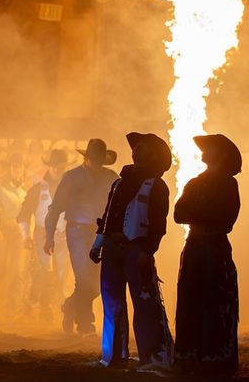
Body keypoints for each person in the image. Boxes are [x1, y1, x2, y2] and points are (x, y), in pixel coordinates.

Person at [91, 133, 173, 371]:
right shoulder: (118, 183)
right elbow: (107, 217)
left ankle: (154, 358)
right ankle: (114, 356)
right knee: (112, 302)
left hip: (136, 248)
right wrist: (99, 243)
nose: (136, 150)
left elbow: (159, 224)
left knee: (145, 303)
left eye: (142, 147)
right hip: (113, 249)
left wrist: (147, 251)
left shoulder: (156, 185)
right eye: (136, 147)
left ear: (153, 155)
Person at [174, 134, 241, 377]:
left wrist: (197, 213)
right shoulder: (195, 182)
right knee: (192, 298)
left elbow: (226, 218)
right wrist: (203, 213)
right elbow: (178, 214)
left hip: (212, 245)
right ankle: (193, 355)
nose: (204, 152)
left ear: (220, 155)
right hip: (199, 245)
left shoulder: (227, 184)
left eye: (209, 148)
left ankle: (212, 357)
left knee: (214, 299)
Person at [44, 138, 118, 335]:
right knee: (84, 278)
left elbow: (118, 207)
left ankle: (70, 306)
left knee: (96, 283)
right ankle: (85, 323)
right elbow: (55, 208)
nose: (95, 163)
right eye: (93, 159)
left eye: (99, 160)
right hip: (76, 231)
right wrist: (49, 235)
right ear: (86, 159)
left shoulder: (110, 177)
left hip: (100, 233)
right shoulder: (71, 178)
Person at [18, 148, 69, 322]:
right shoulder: (38, 189)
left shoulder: (70, 190)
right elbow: (24, 214)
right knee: (43, 271)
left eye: (60, 166)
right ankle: (41, 306)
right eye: (55, 165)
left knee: (61, 274)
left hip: (62, 236)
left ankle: (54, 306)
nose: (57, 169)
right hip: (41, 235)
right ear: (50, 167)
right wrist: (26, 236)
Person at [0, 152, 26, 313]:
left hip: (19, 233)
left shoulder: (27, 187)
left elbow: (30, 212)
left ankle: (12, 308)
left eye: (20, 166)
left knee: (18, 270)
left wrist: (27, 233)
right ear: (10, 168)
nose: (17, 169)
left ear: (23, 169)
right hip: (2, 231)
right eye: (15, 166)